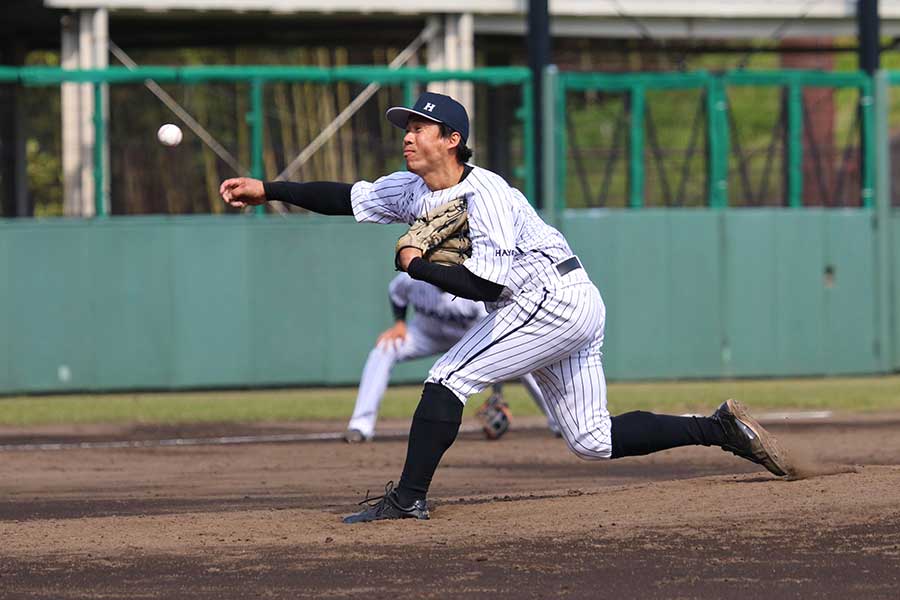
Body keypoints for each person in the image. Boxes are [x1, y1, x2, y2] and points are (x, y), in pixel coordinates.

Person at [219, 91, 792, 524]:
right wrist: (268, 189)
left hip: (549, 301)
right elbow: (348, 197)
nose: (408, 136)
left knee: (448, 376)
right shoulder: (412, 189)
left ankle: (408, 499)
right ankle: (720, 428)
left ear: (451, 139)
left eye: (419, 127)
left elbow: (486, 290)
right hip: (562, 300)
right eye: (406, 127)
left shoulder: (486, 195)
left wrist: (416, 265)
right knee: (591, 439)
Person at [344, 272, 560, 443]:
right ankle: (361, 425)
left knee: (522, 358)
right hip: (426, 334)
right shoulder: (413, 278)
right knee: (384, 349)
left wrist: (497, 395)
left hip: (469, 338)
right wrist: (399, 323)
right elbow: (396, 292)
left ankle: (558, 422)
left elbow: (496, 338)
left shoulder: (474, 288)